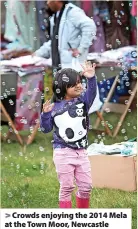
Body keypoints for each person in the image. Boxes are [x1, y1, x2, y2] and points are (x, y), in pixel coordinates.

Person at [40, 61, 97, 208]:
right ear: (62, 88)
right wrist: (45, 115)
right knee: (67, 188)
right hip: (63, 153)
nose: (79, 86)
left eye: (79, 82)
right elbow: (45, 129)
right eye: (74, 84)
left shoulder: (83, 102)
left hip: (82, 153)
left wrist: (91, 78)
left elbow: (91, 93)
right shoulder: (54, 107)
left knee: (86, 187)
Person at [34, 0, 96, 73]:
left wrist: (81, 49)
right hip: (59, 67)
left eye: (48, 0)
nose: (47, 3)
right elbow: (55, 41)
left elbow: (90, 26)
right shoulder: (55, 17)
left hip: (72, 67)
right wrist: (38, 53)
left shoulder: (73, 12)